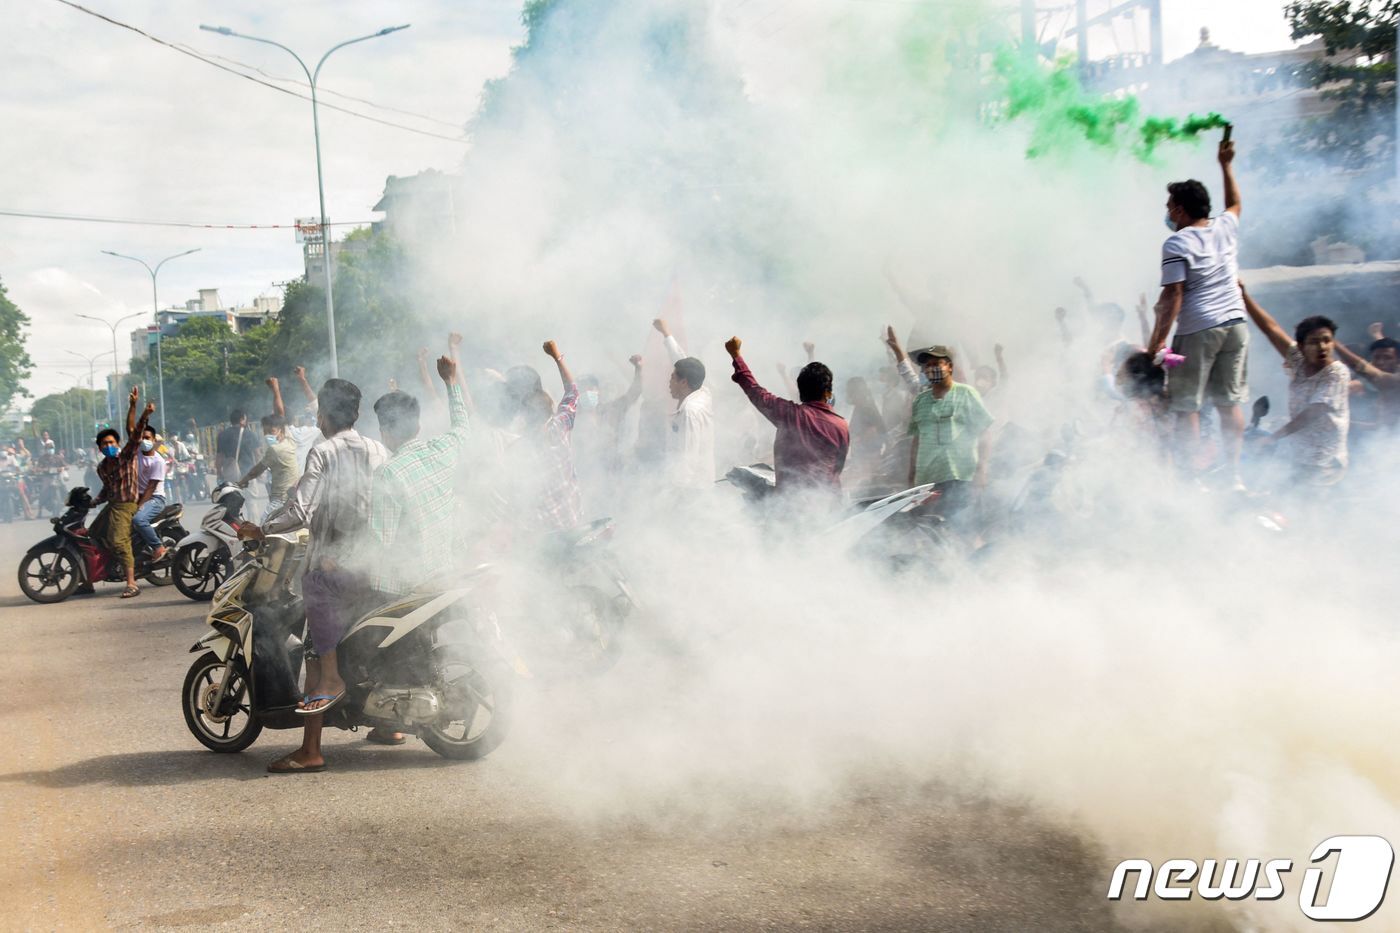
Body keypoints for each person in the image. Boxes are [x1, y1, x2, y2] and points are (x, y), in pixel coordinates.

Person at [253, 377, 389, 774]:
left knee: (315, 653)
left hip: (333, 567)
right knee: (367, 646)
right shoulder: (377, 450)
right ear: (357, 414)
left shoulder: (323, 452)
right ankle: (388, 726)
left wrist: (260, 529)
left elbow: (299, 511)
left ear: (323, 416)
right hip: (374, 567)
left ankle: (311, 750)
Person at [362, 355, 472, 746]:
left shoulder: (388, 474)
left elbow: (380, 544)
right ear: (419, 423)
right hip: (451, 572)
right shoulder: (442, 449)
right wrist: (451, 381)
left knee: (354, 628)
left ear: (385, 431)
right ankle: (388, 719)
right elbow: (464, 427)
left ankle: (388, 712)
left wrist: (352, 569)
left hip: (415, 582)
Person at [1147, 136, 1248, 489]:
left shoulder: (1177, 241)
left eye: (1170, 206)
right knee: (1228, 401)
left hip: (1199, 327)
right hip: (1236, 324)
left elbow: (1173, 295)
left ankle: (1192, 478)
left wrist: (1157, 343)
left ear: (1179, 210)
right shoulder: (1225, 226)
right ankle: (1234, 475)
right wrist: (1226, 165)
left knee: (1186, 405)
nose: (1167, 212)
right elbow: (1235, 203)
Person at [1238, 283, 1350, 487]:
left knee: (1309, 508)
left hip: (1325, 461)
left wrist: (1272, 438)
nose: (1322, 346)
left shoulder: (1336, 373)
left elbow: (1312, 413)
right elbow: (1271, 329)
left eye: (1327, 340)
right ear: (1302, 346)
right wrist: (1244, 297)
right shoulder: (1298, 361)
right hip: (1300, 455)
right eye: (1315, 341)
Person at [726, 335, 849, 497]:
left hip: (790, 504)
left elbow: (755, 391)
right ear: (828, 393)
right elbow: (837, 466)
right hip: (827, 503)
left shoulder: (790, 415)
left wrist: (736, 356)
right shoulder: (841, 425)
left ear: (800, 391)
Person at [902, 343, 994, 518]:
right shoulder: (920, 401)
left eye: (936, 364)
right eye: (927, 366)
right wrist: (912, 473)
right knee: (926, 527)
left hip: (958, 477)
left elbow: (984, 433)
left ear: (949, 367)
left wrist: (982, 470)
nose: (931, 369)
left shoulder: (966, 393)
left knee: (955, 526)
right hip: (926, 480)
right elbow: (917, 439)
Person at [90, 388, 154, 598]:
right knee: (94, 533)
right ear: (100, 448)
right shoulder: (102, 467)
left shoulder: (125, 457)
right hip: (112, 505)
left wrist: (137, 408)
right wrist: (94, 501)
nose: (108, 446)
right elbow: (106, 489)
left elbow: (135, 433)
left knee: (119, 540)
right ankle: (100, 571)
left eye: (111, 443)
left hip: (127, 506)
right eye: (104, 444)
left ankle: (132, 582)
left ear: (117, 444)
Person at [653, 318, 716, 490]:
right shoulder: (702, 390)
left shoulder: (690, 412)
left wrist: (676, 494)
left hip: (691, 492)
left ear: (684, 382)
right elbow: (681, 359)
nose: (669, 382)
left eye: (672, 378)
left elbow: (686, 459)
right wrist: (666, 333)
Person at [238, 411, 301, 520]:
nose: (268, 435)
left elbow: (256, 471)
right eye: (265, 431)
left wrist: (242, 482)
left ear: (281, 430)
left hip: (281, 499)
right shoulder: (290, 442)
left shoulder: (275, 449)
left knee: (264, 525)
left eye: (271, 431)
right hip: (293, 498)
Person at [1335, 336, 1400, 435]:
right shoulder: (1384, 387)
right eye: (1376, 357)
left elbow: (1367, 371)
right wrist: (1343, 424)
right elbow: (1382, 426)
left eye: (1388, 357)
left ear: (1398, 360)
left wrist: (1334, 344)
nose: (1381, 362)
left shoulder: (1394, 380)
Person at [270, 367, 324, 469]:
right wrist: (302, 380)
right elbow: (317, 408)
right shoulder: (307, 433)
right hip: (302, 483)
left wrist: (275, 391)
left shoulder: (275, 437)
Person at [130, 423, 169, 564]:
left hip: (155, 498)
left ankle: (158, 547)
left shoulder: (158, 461)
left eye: (147, 438)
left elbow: (151, 487)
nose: (144, 440)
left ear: (153, 440)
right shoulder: (137, 454)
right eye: (142, 437)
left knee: (138, 520)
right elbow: (130, 428)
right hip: (138, 497)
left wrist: (139, 505)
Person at [214, 409, 258, 485]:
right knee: (250, 496)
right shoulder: (250, 434)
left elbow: (219, 456)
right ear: (241, 420)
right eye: (245, 419)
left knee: (233, 494)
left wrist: (219, 472)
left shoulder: (222, 435)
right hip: (247, 473)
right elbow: (257, 453)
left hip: (230, 473)